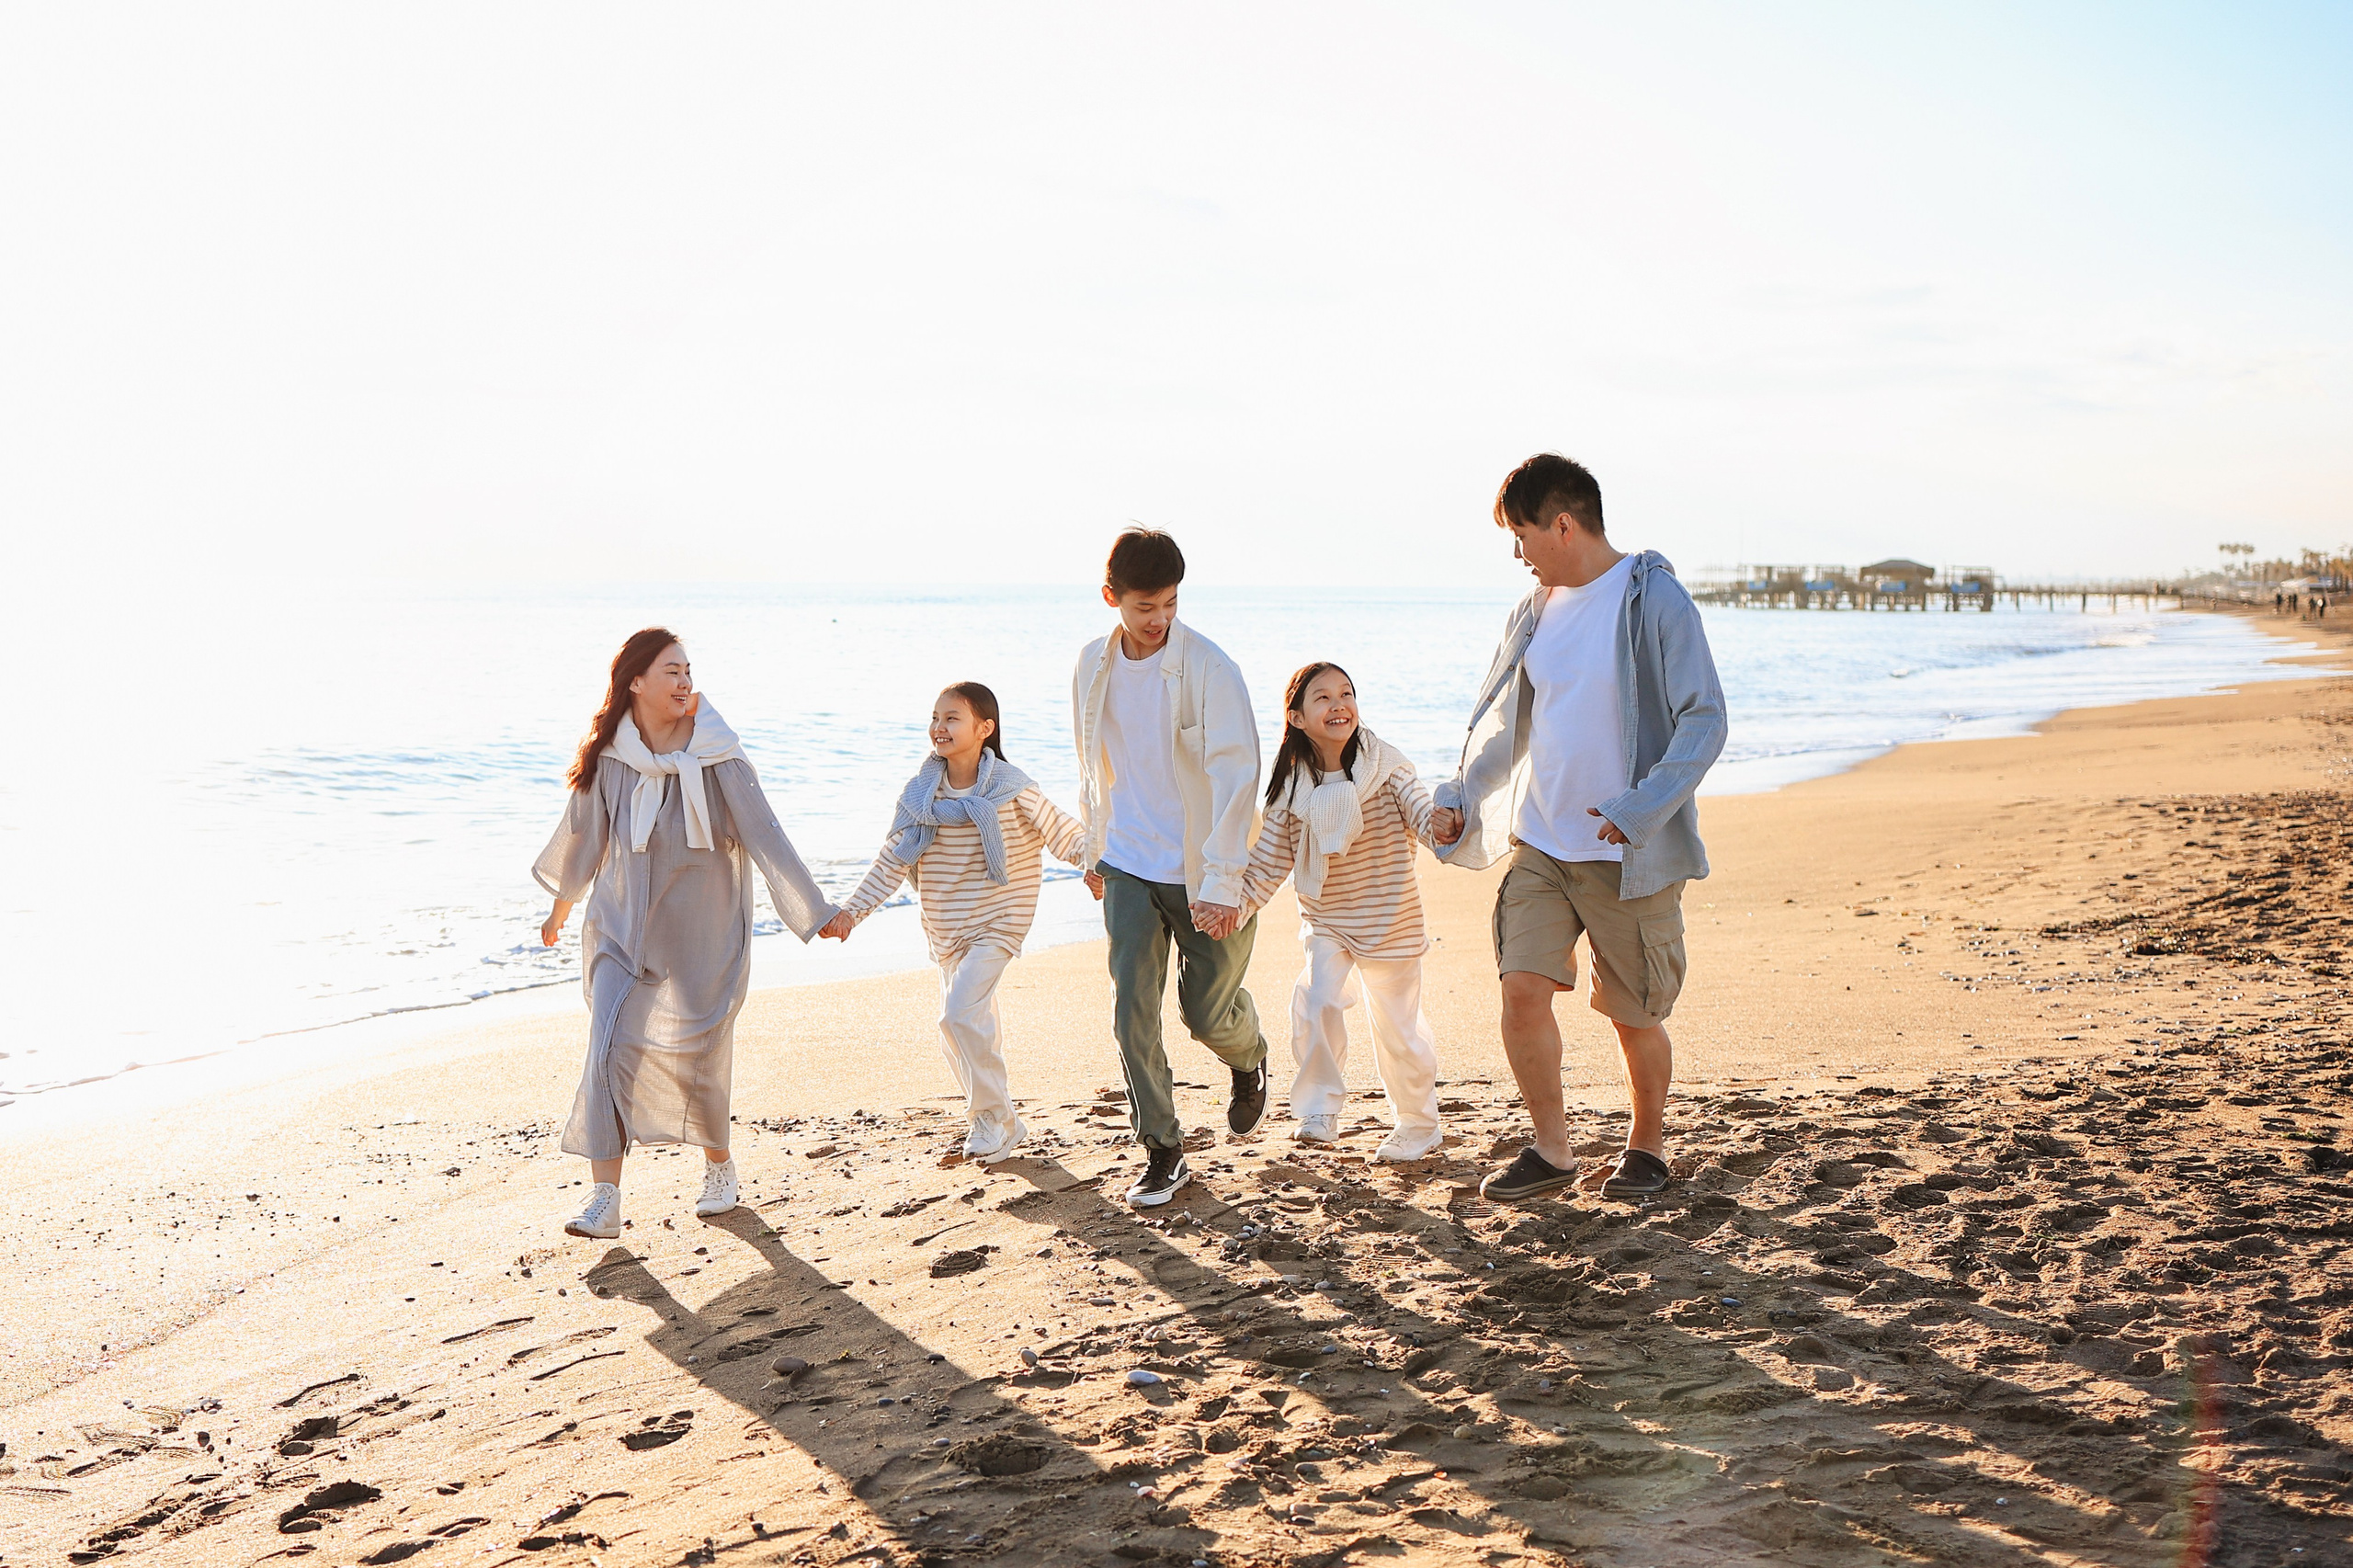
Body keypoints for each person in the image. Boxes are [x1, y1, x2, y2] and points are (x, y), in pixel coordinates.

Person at [1431, 454, 1727, 1204]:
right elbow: (1511, 728)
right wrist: (1464, 791)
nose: (1519, 554)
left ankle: (1648, 1146)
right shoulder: (1534, 611)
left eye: (1523, 536)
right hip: (1542, 844)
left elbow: (1705, 720)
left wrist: (1638, 811)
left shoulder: (1654, 600)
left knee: (1635, 1016)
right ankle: (1553, 1150)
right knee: (1522, 991)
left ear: (1563, 525)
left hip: (1625, 851)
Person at [536, 628, 838, 1239]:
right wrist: (560, 911)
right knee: (609, 1049)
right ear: (636, 682)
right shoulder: (610, 757)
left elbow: (764, 832)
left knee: (697, 1057)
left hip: (703, 930)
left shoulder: (717, 754)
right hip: (621, 931)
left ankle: (719, 1167)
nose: (684, 681)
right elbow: (582, 839)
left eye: (687, 670)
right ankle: (604, 1199)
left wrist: (813, 910)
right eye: (670, 671)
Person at [1073, 527, 1271, 1207]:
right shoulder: (1089, 667)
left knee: (1206, 1015)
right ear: (1112, 599)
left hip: (1203, 869)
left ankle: (1249, 1058)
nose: (1159, 621)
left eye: (1170, 605)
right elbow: (1094, 763)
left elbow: (1237, 778)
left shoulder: (1211, 668)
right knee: (1132, 1014)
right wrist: (1094, 846)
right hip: (1127, 861)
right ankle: (1162, 1148)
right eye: (1144, 608)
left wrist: (1221, 883)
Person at [820, 683, 1095, 1164]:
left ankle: (994, 1116)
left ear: (984, 729)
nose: (939, 727)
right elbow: (893, 861)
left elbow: (1062, 832)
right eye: (935, 717)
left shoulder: (1012, 788)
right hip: (946, 926)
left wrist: (1094, 866)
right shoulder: (922, 796)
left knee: (959, 1015)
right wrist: (851, 913)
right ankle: (995, 1120)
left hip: (999, 919)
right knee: (964, 1028)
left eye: (952, 718)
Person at [1236, 663, 1446, 1161]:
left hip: (1390, 917)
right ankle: (1318, 1109)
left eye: (1346, 694)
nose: (1338, 705)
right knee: (1317, 999)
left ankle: (1419, 1124)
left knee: (1399, 1031)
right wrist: (1235, 907)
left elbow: (1422, 813)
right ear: (1298, 716)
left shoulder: (1387, 767)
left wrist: (1445, 824)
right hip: (1327, 917)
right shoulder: (1291, 787)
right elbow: (1269, 858)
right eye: (1323, 698)